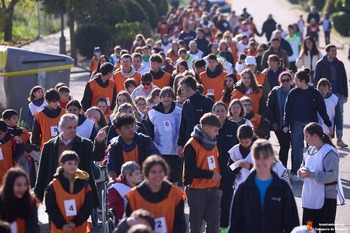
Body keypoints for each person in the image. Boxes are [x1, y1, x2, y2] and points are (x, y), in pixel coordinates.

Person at [34, 113, 106, 206]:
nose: (72, 130)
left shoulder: (85, 143)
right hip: (56, 189)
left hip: (79, 189)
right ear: (61, 127)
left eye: (75, 127)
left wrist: (99, 142)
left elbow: (97, 157)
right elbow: (42, 171)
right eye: (69, 127)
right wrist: (38, 194)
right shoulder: (49, 146)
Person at [228, 139, 299, 233]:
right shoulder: (243, 188)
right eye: (257, 157)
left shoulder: (283, 188)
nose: (261, 162)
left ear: (272, 158)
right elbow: (235, 223)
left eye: (265, 157)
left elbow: (292, 223)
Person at [283, 69, 333, 181]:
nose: (294, 82)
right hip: (296, 124)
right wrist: (286, 124)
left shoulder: (315, 93)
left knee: (312, 148)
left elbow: (322, 110)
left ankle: (310, 170)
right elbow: (287, 110)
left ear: (303, 81)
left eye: (296, 80)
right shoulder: (293, 93)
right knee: (297, 149)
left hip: (311, 125)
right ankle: (295, 171)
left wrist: (329, 124)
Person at [298, 122, 344, 233]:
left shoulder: (329, 152)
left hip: (325, 200)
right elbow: (304, 166)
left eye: (306, 136)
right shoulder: (310, 150)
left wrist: (312, 175)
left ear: (315, 136)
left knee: (324, 230)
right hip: (309, 200)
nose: (305, 139)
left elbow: (332, 176)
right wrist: (301, 172)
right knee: (309, 229)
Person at [125, 155, 187, 233]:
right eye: (153, 172)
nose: (158, 175)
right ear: (146, 174)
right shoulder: (133, 196)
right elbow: (127, 224)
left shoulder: (176, 195)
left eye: (160, 171)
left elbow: (180, 224)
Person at [183, 113, 221, 233]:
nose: (217, 133)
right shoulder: (191, 145)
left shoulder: (213, 143)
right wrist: (209, 175)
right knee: (196, 225)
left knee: (214, 224)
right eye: (215, 130)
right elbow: (190, 170)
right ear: (206, 129)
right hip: (197, 190)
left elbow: (215, 165)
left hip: (213, 189)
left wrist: (220, 185)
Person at [45, 150, 93, 232]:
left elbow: (88, 206)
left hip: (79, 227)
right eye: (69, 163)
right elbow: (51, 208)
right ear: (62, 164)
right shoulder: (53, 185)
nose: (73, 166)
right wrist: (62, 224)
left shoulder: (85, 185)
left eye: (75, 163)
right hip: (60, 229)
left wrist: (75, 222)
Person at [107, 113, 160, 181]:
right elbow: (111, 168)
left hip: (146, 181)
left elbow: (156, 160)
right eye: (127, 127)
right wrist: (112, 181)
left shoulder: (145, 141)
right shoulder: (114, 146)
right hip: (124, 184)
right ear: (118, 131)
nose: (131, 129)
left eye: (132, 126)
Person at [314, 44, 348, 148]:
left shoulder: (339, 64)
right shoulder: (320, 64)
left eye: (335, 50)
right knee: (323, 114)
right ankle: (322, 136)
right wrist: (318, 92)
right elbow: (316, 79)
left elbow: (344, 79)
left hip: (338, 92)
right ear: (327, 52)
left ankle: (339, 138)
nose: (334, 52)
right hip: (324, 93)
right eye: (332, 51)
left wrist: (345, 94)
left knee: (339, 115)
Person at [146, 87, 182, 184]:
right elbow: (148, 133)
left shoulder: (179, 112)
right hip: (160, 152)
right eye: (164, 97)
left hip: (176, 152)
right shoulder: (152, 113)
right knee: (162, 181)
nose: (166, 99)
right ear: (160, 98)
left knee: (175, 182)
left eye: (169, 96)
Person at [212, 101, 238, 231]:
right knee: (213, 203)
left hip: (228, 172)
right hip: (212, 172)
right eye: (217, 111)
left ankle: (224, 228)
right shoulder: (208, 128)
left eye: (222, 110)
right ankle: (211, 227)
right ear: (213, 113)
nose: (220, 113)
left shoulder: (234, 127)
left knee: (226, 202)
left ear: (227, 111)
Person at [177, 75, 214, 155]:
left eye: (183, 89)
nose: (181, 92)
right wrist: (180, 144)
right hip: (189, 145)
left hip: (205, 146)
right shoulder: (186, 104)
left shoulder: (207, 102)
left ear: (189, 89)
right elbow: (183, 125)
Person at [266, 71, 294, 168]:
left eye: (287, 80)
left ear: (291, 80)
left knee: (296, 148)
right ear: (280, 81)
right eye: (283, 80)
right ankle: (283, 168)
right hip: (280, 125)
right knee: (284, 146)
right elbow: (270, 108)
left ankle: (295, 169)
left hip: (294, 125)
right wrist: (273, 122)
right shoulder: (275, 92)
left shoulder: (296, 91)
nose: (285, 82)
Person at [0, 167, 39, 232]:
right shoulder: (2, 200)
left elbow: (33, 226)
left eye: (25, 185)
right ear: (10, 185)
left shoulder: (30, 201)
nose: (22, 188)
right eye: (19, 185)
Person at [228, 124, 256, 190]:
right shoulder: (235, 150)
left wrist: (250, 167)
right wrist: (236, 165)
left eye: (246, 142)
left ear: (251, 138)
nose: (244, 144)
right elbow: (230, 168)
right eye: (241, 142)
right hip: (240, 185)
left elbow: (265, 167)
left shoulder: (258, 149)